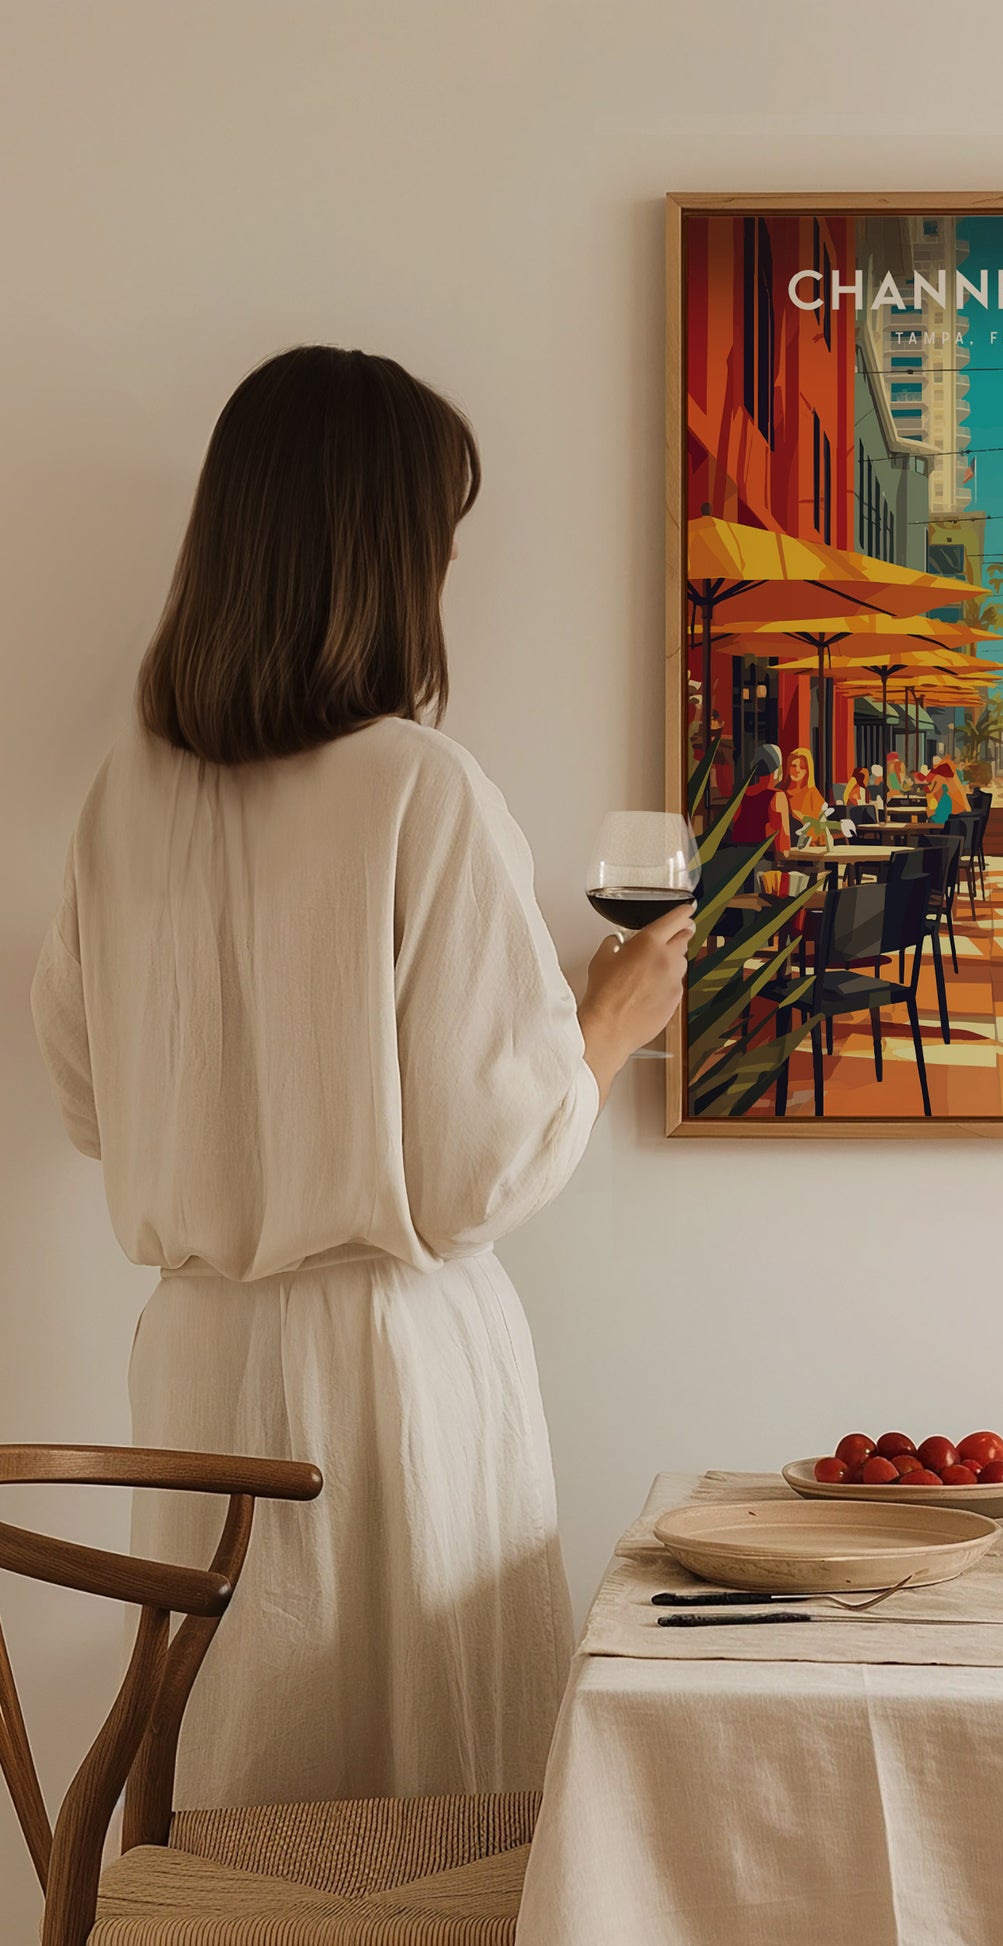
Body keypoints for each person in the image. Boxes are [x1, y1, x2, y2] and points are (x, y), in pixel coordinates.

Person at [30, 345, 693, 1808]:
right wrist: (605, 1023)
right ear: (386, 554)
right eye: (437, 538)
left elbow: (87, 1098)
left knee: (236, 1794)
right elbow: (476, 1171)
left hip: (196, 1365)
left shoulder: (124, 797)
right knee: (429, 1815)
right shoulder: (419, 786)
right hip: (392, 1372)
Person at [729, 741, 792, 856]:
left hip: (738, 857)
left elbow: (737, 827)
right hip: (764, 858)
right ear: (778, 768)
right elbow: (782, 842)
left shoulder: (742, 794)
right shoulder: (777, 796)